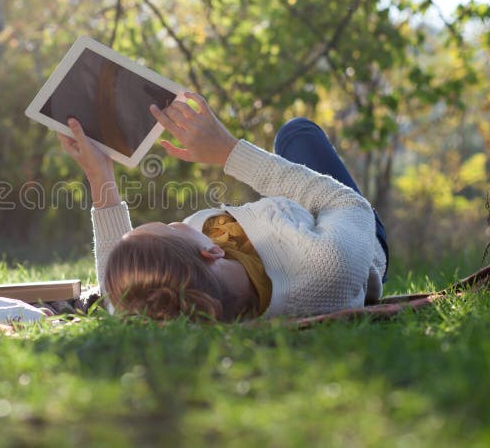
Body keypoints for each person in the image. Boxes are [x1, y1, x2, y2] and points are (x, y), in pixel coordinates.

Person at [57, 91, 388, 321]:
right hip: (350, 231)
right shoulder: (327, 263)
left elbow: (118, 293)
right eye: (173, 227)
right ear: (210, 252)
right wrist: (228, 152)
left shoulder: (180, 299)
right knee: (296, 132)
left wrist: (99, 174)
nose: (177, 223)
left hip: (292, 224)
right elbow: (346, 203)